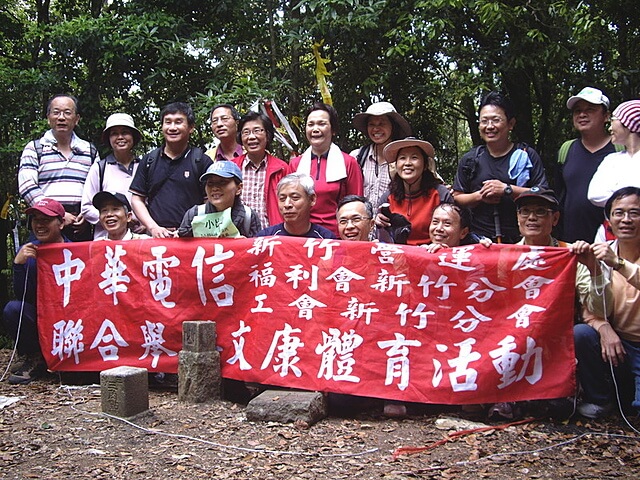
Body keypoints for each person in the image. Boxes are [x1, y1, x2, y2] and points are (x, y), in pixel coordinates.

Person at [485, 187, 607, 420]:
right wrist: (483, 256)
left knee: (580, 333)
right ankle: (506, 396)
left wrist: (593, 268)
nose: (532, 218)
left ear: (555, 218)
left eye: (541, 212)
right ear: (517, 217)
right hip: (513, 332)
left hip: (557, 334)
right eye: (525, 212)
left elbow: (599, 307)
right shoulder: (504, 254)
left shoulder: (569, 253)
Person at [575, 186, 640, 419]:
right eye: (619, 213)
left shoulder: (612, 258)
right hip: (618, 342)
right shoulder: (601, 255)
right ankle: (600, 400)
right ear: (609, 220)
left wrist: (619, 263)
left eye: (634, 213)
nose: (626, 220)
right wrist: (604, 328)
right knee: (582, 334)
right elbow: (593, 310)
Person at [453, 91, 548, 244]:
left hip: (520, 240)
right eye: (484, 121)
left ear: (511, 124)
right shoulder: (471, 159)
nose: (489, 126)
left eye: (496, 120)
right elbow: (456, 197)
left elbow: (543, 193)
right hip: (478, 241)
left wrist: (507, 190)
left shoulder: (526, 155)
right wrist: (479, 196)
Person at [2, 198, 70, 384]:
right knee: (13, 309)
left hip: (70, 319)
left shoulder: (76, 250)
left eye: (46, 220)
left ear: (61, 223)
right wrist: (18, 265)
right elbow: (22, 294)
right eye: (35, 220)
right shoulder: (29, 252)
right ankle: (34, 357)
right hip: (41, 316)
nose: (39, 225)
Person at [17, 94, 98, 241]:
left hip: (79, 225)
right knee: (40, 263)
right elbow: (26, 186)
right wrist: (56, 214)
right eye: (56, 112)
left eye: (67, 112)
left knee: (81, 263)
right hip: (44, 224)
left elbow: (97, 187)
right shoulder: (35, 148)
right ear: (48, 118)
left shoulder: (89, 151)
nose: (61, 117)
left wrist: (88, 214)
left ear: (77, 119)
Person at [129, 102, 212, 238]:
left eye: (178, 122)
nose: (172, 128)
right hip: (156, 238)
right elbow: (137, 199)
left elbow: (209, 201)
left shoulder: (201, 161)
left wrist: (192, 229)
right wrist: (153, 227)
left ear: (191, 127)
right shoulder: (149, 160)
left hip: (192, 238)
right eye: (168, 122)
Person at [288, 102, 363, 236]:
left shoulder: (348, 163)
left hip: (336, 236)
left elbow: (356, 206)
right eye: (311, 124)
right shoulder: (295, 164)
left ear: (333, 130)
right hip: (302, 235)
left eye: (321, 124)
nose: (315, 129)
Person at [555, 87, 619, 243]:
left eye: (590, 109)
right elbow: (559, 196)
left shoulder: (620, 149)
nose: (582, 114)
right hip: (572, 242)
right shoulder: (566, 149)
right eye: (577, 111)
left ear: (606, 116)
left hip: (613, 242)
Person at [375, 138, 453, 245]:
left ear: (425, 165)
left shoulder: (441, 194)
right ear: (396, 165)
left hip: (431, 254)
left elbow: (452, 232)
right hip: (398, 256)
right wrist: (380, 226)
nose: (407, 163)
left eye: (414, 158)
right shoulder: (388, 198)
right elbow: (383, 239)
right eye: (402, 158)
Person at [81, 113, 143, 239]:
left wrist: (146, 223)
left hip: (139, 238)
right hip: (106, 241)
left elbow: (152, 202)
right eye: (114, 133)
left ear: (133, 136)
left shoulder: (144, 166)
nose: (120, 137)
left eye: (125, 132)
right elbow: (87, 207)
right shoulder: (100, 168)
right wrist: (118, 220)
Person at [350, 102, 412, 211]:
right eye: (372, 124)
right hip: (363, 225)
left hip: (392, 225)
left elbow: (429, 182)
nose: (376, 129)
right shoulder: (357, 157)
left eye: (382, 124)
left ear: (393, 126)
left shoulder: (404, 159)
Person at [231, 111, 288, 229]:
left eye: (257, 131)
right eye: (246, 132)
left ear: (267, 135)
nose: (251, 137)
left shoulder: (282, 168)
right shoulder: (232, 168)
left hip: (272, 236)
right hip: (238, 238)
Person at [178, 161, 260, 238]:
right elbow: (182, 248)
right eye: (210, 183)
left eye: (222, 182)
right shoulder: (194, 214)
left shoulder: (249, 217)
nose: (215, 188)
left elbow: (258, 248)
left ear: (239, 188)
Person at [588, 100, 640, 210]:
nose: (610, 128)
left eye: (613, 120)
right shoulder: (611, 160)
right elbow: (595, 194)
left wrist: (616, 191)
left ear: (629, 123)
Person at [256, 173, 336, 239]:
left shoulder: (326, 239)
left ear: (312, 199)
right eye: (282, 199)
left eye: (295, 198)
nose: (287, 205)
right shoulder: (265, 238)